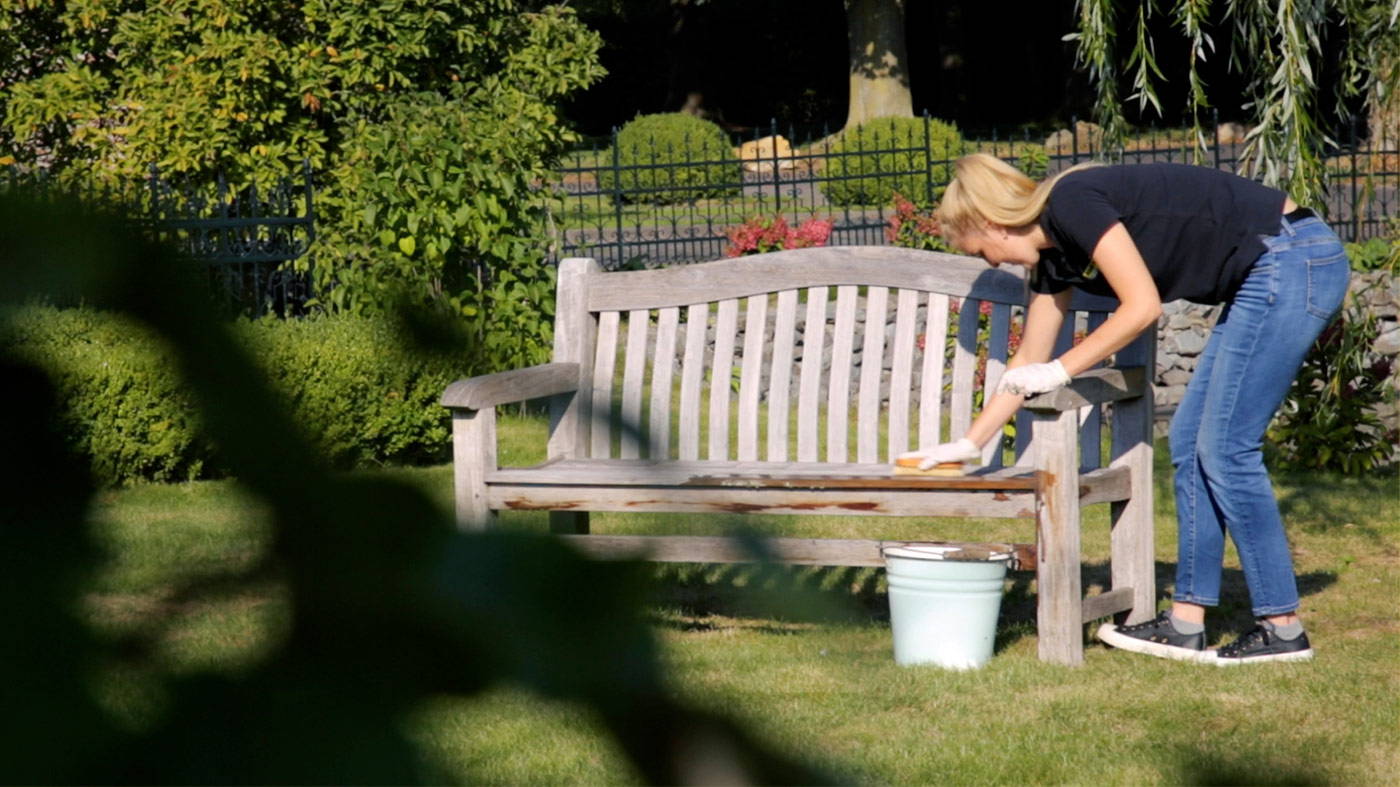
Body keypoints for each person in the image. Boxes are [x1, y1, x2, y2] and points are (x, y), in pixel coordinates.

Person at [898, 153, 1349, 665]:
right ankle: (1186, 622)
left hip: (1291, 257)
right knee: (1189, 443)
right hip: (1269, 269)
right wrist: (970, 442)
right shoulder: (1056, 256)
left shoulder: (1072, 201)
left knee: (1226, 449)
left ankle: (1282, 629)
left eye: (983, 252)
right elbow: (1028, 358)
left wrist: (1062, 370)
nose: (995, 264)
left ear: (990, 223)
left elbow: (1142, 306)